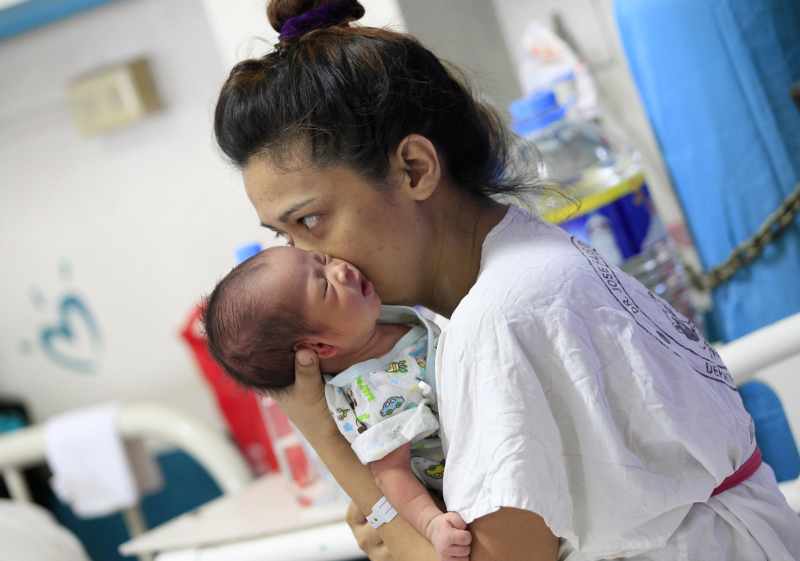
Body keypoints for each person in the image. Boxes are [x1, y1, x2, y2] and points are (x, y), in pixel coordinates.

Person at [212, 1, 800, 560]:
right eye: (286, 235)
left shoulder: (498, 319)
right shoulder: (527, 256)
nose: (309, 257)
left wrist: (341, 457)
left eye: (311, 220)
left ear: (414, 169)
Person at [202, 246, 470, 561]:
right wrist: (433, 524)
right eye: (326, 286)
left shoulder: (376, 320)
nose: (341, 269)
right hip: (460, 487)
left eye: (323, 260)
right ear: (320, 346)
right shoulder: (372, 393)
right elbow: (390, 473)